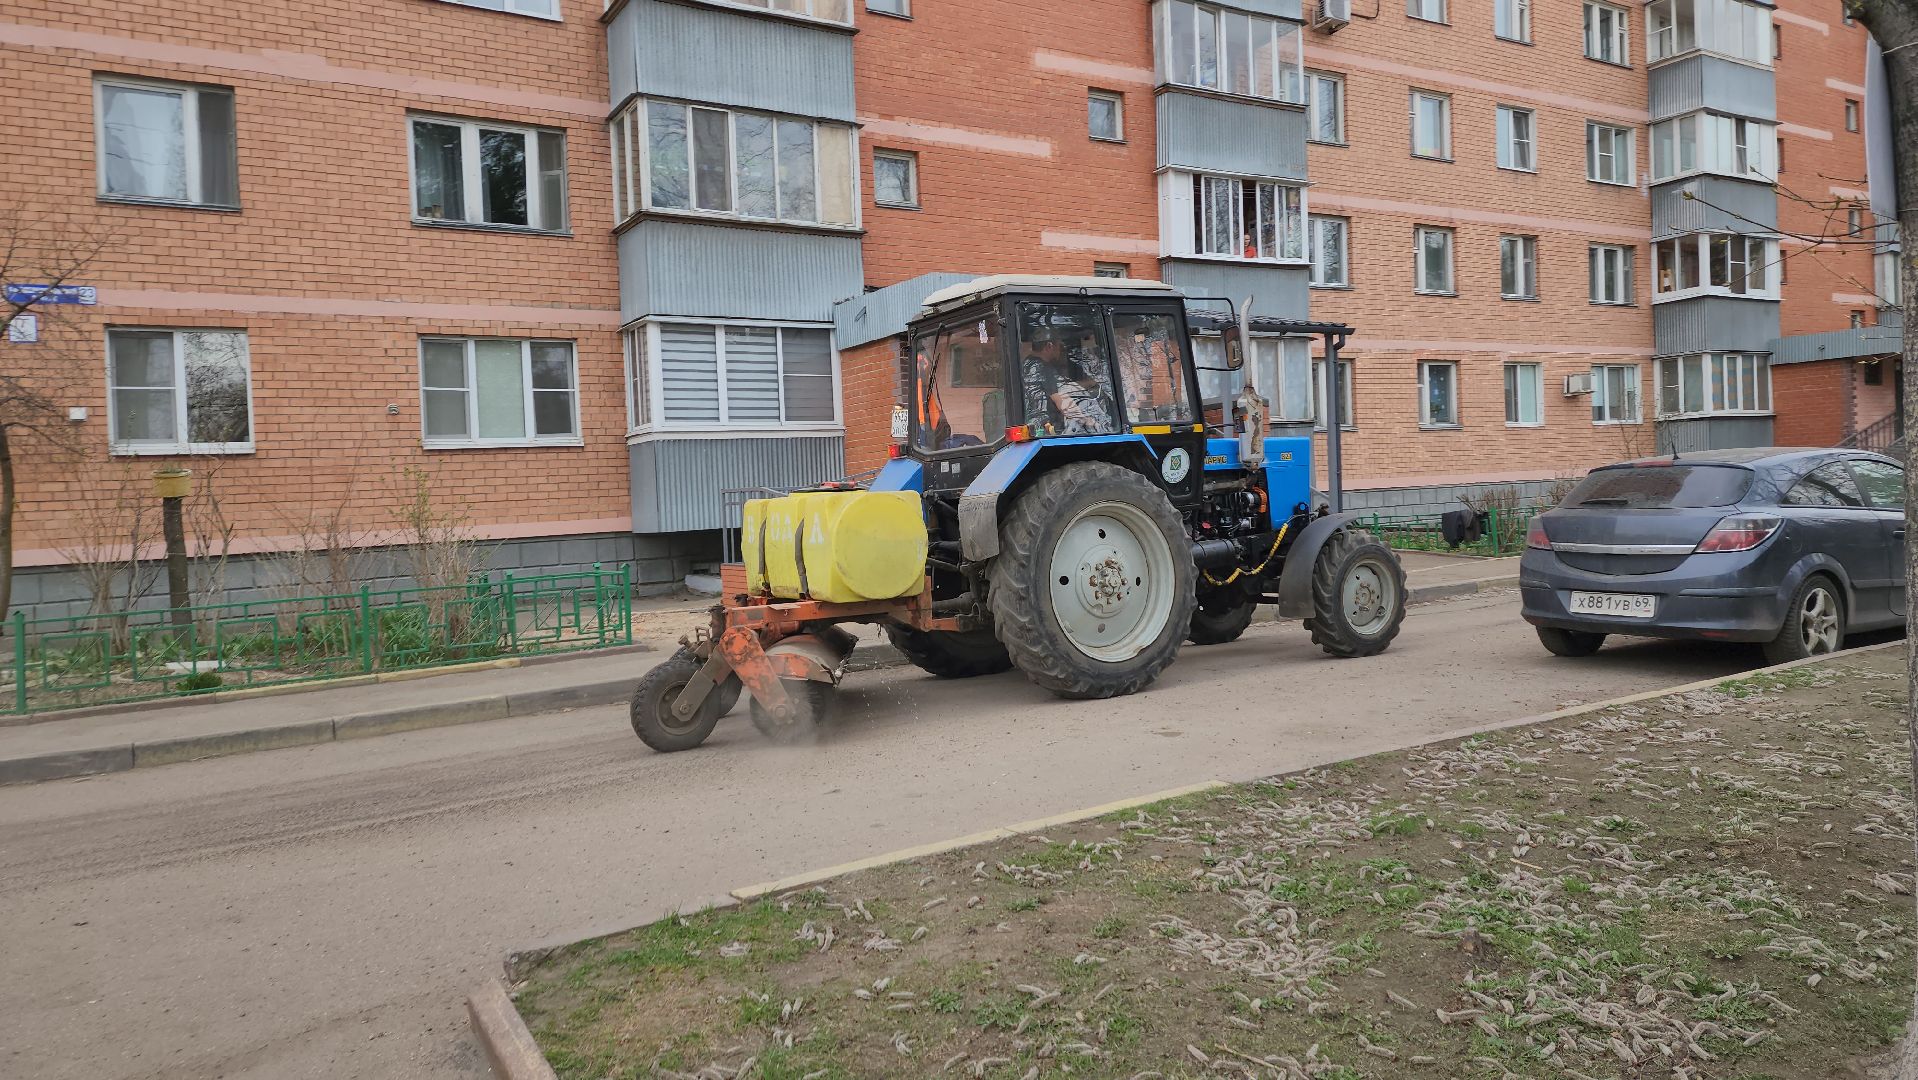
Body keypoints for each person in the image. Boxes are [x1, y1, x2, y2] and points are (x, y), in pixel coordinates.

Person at [1022, 326, 1114, 435]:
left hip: (1032, 426)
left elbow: (1062, 386)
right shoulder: (1044, 368)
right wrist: (1085, 419)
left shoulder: (1027, 364)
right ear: (1049, 346)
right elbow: (1061, 400)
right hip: (1046, 428)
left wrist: (1090, 383)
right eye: (1059, 346)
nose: (1061, 351)